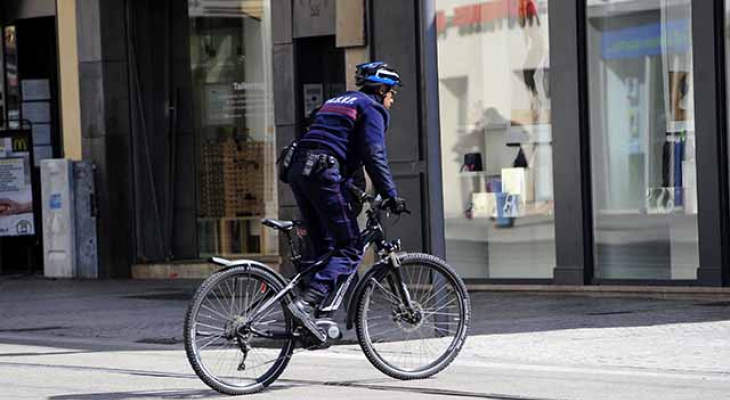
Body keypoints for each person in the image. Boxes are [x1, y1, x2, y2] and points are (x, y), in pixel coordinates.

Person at [286, 61, 408, 331]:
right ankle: (306, 303)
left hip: (299, 169)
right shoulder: (371, 107)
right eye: (391, 91)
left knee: (326, 248)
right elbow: (373, 154)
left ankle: (309, 322)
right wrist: (390, 194)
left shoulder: (336, 101)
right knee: (351, 248)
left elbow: (333, 140)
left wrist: (351, 187)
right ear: (380, 89)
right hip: (323, 171)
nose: (392, 97)